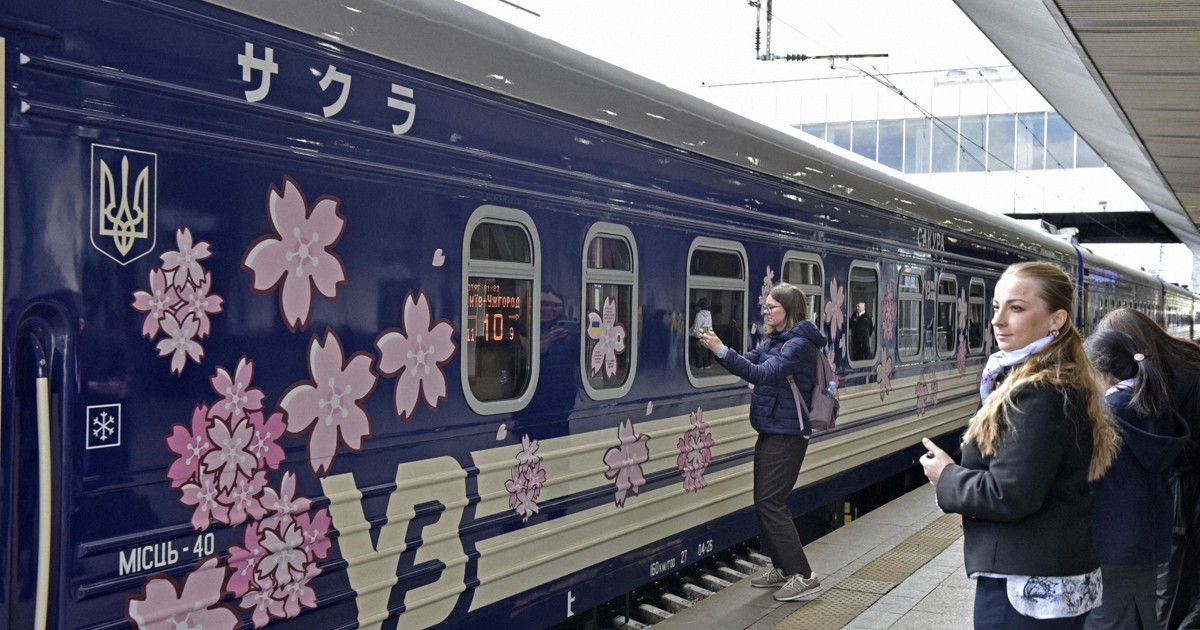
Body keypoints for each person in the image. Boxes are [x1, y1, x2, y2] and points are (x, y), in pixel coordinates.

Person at [920, 261, 1119, 629]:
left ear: (1055, 319)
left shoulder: (1039, 392)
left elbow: (1010, 494)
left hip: (1028, 587)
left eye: (1016, 308)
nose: (997, 320)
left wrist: (946, 475)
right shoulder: (1060, 379)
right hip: (1052, 576)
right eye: (996, 307)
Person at [697, 283, 826, 602]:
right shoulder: (776, 341)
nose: (765, 312)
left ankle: (804, 574)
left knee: (771, 502)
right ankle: (782, 567)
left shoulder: (797, 346)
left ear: (789, 311)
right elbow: (747, 361)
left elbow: (759, 373)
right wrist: (716, 347)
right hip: (772, 429)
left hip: (788, 435)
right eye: (765, 306)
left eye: (772, 307)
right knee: (764, 500)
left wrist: (720, 349)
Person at [1096, 308, 1200, 629]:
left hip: (1181, 502)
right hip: (1182, 500)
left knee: (1170, 598)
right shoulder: (1186, 363)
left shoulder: (1135, 397)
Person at [690, 298, 713, 369]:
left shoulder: (699, 315)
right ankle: (706, 364)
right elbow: (709, 326)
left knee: (699, 351)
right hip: (706, 335)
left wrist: (690, 333)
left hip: (698, 336)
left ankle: (699, 365)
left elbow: (696, 328)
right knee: (705, 350)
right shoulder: (709, 314)